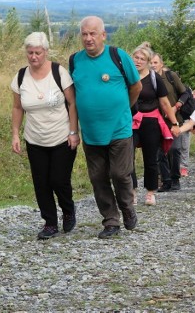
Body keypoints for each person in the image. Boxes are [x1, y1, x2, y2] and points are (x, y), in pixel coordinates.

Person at [70, 16, 141, 239]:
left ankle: (127, 208)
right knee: (98, 178)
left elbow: (136, 86)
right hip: (91, 133)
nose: (88, 38)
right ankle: (111, 220)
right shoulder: (75, 61)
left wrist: (123, 109)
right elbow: (72, 96)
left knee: (120, 174)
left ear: (103, 35)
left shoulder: (118, 56)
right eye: (84, 34)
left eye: (93, 34)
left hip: (119, 129)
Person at [11, 32, 79, 240]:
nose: (33, 57)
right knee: (41, 183)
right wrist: (15, 133)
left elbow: (72, 103)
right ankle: (50, 222)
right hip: (34, 139)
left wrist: (74, 132)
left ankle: (68, 210)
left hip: (61, 137)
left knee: (59, 180)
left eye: (37, 53)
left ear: (46, 52)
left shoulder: (59, 72)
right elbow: (17, 107)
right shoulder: (21, 76)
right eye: (30, 53)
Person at [131, 43, 180, 206]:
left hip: (150, 121)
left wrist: (174, 123)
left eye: (142, 59)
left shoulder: (154, 78)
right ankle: (132, 192)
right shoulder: (128, 77)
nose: (138, 61)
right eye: (136, 57)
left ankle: (150, 192)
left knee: (150, 157)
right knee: (126, 156)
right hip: (130, 121)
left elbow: (165, 103)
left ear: (148, 61)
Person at [150, 53, 190, 185]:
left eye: (155, 62)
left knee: (174, 149)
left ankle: (175, 178)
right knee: (160, 152)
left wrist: (176, 107)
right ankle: (166, 181)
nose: (153, 65)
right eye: (150, 62)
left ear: (161, 64)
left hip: (174, 119)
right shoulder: (146, 79)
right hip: (156, 120)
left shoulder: (170, 76)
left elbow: (185, 93)